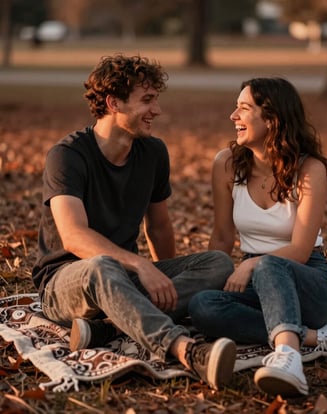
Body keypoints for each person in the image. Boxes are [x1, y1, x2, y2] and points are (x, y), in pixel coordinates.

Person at [31, 54, 237, 390]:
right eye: (147, 100)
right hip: (65, 283)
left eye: (156, 99)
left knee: (218, 264)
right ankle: (186, 350)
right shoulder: (67, 156)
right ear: (113, 103)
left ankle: (109, 328)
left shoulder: (153, 153)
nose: (157, 110)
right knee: (101, 266)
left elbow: (158, 227)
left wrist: (163, 276)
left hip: (123, 279)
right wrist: (142, 266)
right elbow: (73, 236)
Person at [188, 77, 327, 397]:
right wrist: (212, 277)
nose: (233, 116)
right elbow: (222, 236)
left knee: (267, 265)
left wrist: (253, 265)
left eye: (243, 108)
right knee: (203, 306)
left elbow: (299, 249)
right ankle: (313, 338)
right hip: (256, 281)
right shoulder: (226, 165)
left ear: (272, 119)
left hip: (309, 279)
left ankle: (289, 359)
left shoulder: (308, 169)